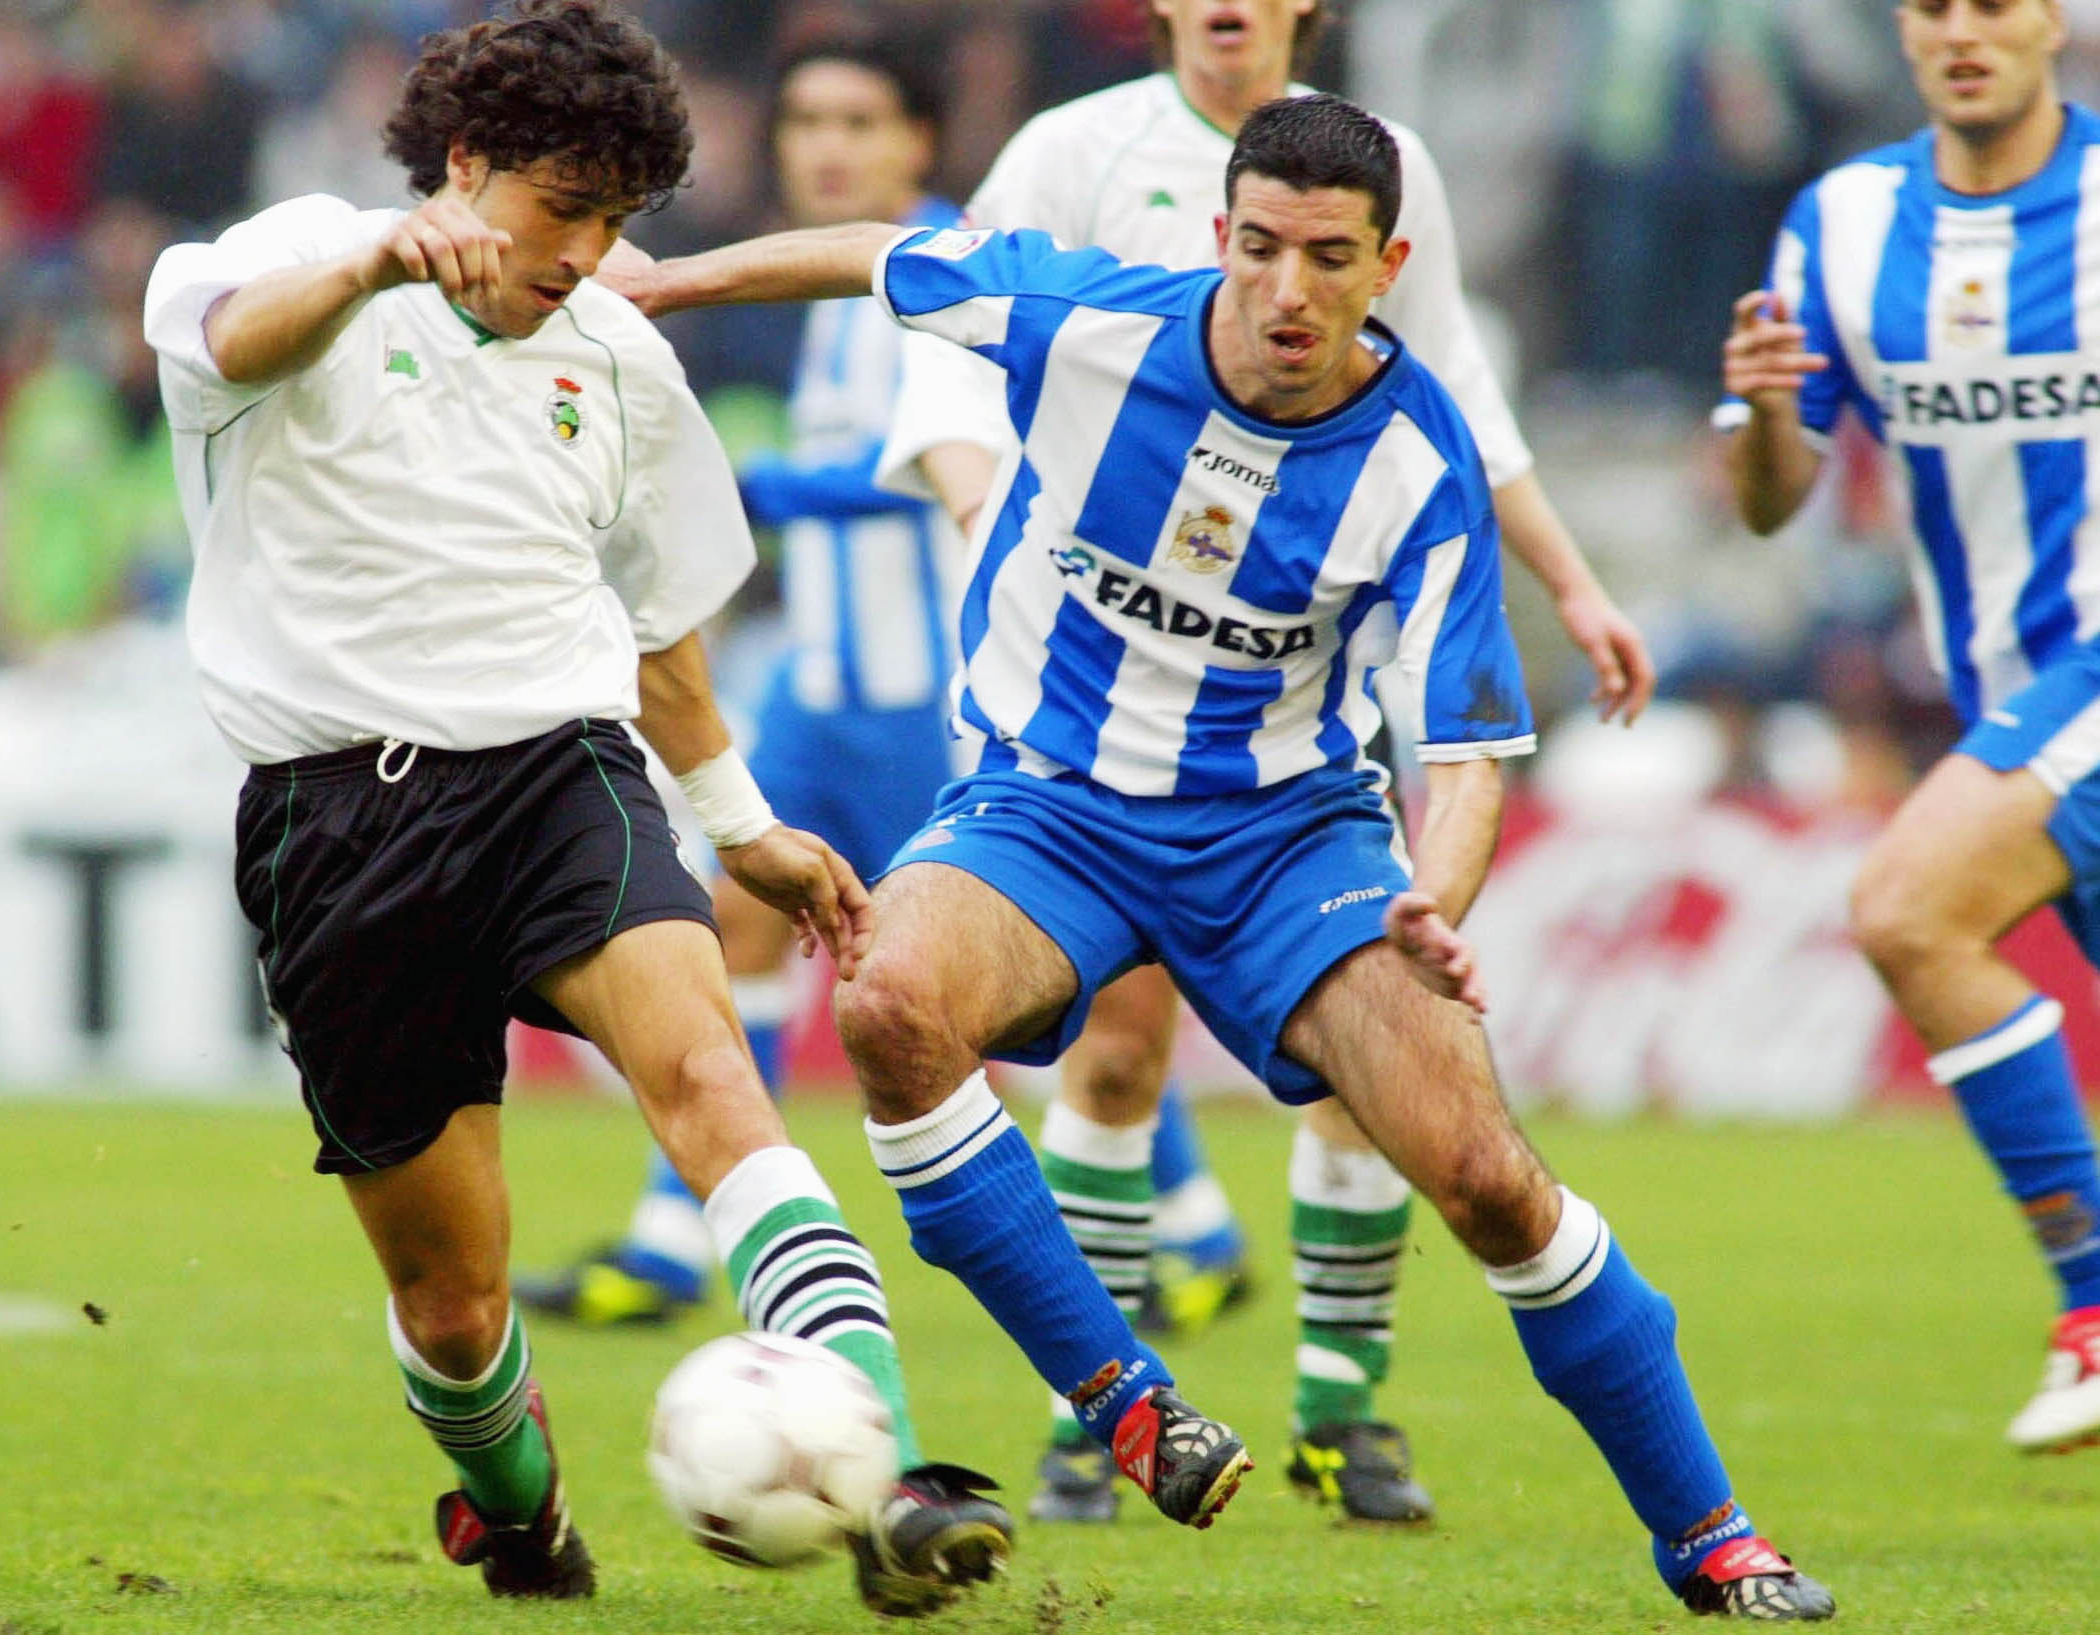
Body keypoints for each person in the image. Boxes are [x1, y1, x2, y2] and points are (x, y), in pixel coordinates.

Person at [615, 92, 1837, 1621]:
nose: (1287, 291)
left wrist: (1433, 907)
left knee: (1486, 1182)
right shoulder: (1086, 319)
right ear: (1220, 237)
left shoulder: (1421, 457)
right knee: (889, 1002)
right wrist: (668, 280)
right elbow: (884, 253)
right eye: (1260, 247)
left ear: (1388, 264)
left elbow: (1465, 751)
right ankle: (1125, 1397)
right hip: (1048, 805)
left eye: (1329, 258)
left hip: (1286, 838)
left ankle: (1713, 1539)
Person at [140, 2, 1010, 1614]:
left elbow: (660, 625)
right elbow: (220, 340)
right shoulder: (307, 256)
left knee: (709, 1078)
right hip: (338, 824)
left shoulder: (615, 351)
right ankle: (514, 1511)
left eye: (616, 220)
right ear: (464, 165)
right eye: (560, 210)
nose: (586, 252)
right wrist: (376, 267)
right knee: (456, 1307)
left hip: (560, 773)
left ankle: (880, 1468)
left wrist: (739, 821)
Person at [873, 0, 1657, 1527]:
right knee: (1115, 1045)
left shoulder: (1383, 166)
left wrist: (1567, 579)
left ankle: (1340, 1414)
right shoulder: (1072, 148)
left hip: (1295, 687)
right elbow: (957, 350)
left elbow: (1457, 415)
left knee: (1366, 1069)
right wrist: (992, 520)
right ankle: (1085, 1417)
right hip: (1093, 700)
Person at [514, 30, 968, 1330]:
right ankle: (675, 1236)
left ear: (918, 143)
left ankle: (1168, 1235)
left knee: (977, 999)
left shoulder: (935, 271)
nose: (827, 146)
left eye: (860, 121)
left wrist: (758, 486)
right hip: (820, 694)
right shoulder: (821, 293)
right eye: (806, 120)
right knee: (737, 929)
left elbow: (945, 462)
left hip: (922, 706)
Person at [1722, 0, 2100, 1456]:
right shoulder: (1846, 222)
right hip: (2015, 695)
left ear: (2052, 19)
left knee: (1905, 904)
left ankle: (2091, 1300)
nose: (1963, 30)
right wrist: (1761, 418)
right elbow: (1771, 498)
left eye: (1995, 1)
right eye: (1933, 4)